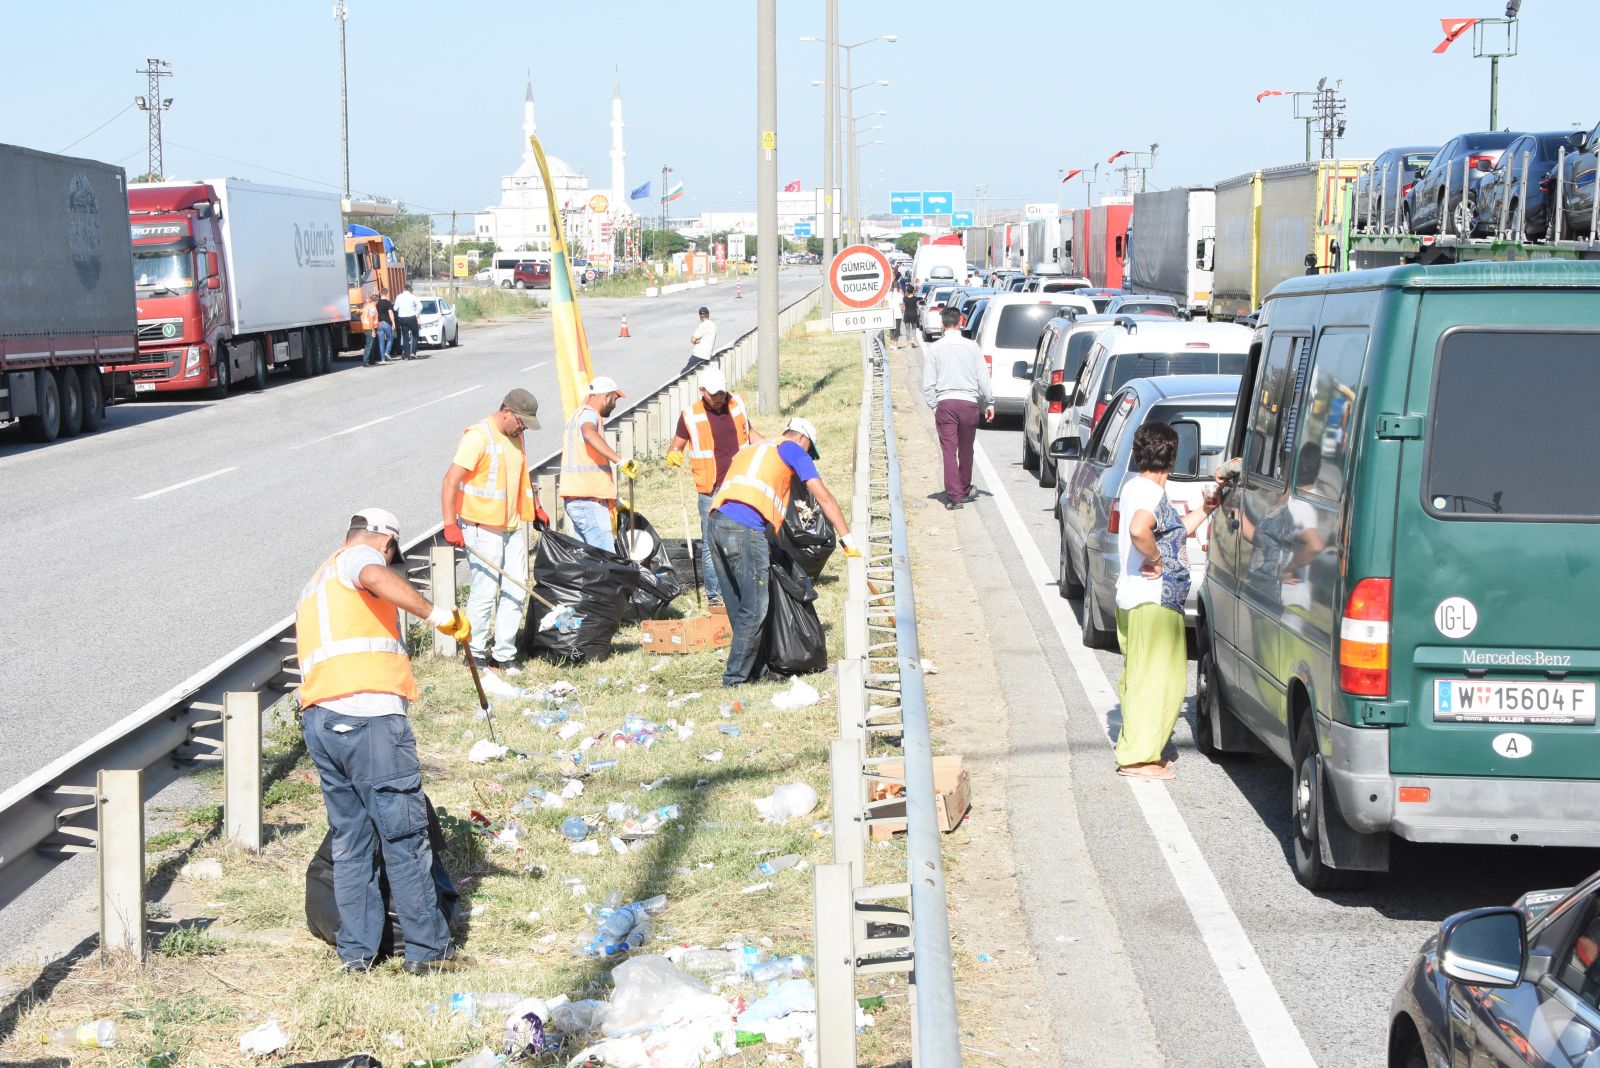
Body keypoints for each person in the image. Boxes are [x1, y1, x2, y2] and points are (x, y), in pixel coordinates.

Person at [295, 508, 475, 974]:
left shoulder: (315, 584)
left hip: (321, 720)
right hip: (369, 720)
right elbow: (375, 574)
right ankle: (429, 953)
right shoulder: (359, 558)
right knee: (404, 837)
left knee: (351, 841)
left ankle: (358, 954)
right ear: (387, 542)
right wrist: (440, 616)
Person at [707, 418, 859, 686]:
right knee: (754, 608)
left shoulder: (754, 449)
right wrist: (847, 539)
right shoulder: (793, 449)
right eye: (810, 452)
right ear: (804, 440)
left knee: (739, 604)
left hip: (716, 524)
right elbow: (823, 496)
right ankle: (734, 679)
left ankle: (755, 669)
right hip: (744, 527)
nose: (807, 458)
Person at [1113, 423, 1220, 780]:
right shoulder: (1149, 494)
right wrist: (1157, 559)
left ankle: (1143, 749)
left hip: (1139, 601)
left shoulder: (1136, 487)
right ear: (1173, 457)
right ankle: (1136, 757)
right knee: (1157, 681)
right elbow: (1139, 529)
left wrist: (1207, 508)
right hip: (1153, 602)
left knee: (1144, 677)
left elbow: (1174, 529)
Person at [440, 389, 548, 674]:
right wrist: (450, 524)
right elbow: (451, 481)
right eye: (521, 421)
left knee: (516, 588)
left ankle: (504, 653)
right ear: (507, 412)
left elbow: (523, 474)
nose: (523, 427)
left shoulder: (517, 437)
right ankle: (473, 653)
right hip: (481, 528)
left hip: (512, 526)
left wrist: (536, 506)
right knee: (485, 593)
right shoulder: (479, 436)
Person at [664, 365, 764, 605]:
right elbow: (676, 445)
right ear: (702, 391)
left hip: (739, 484)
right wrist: (673, 454)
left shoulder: (736, 405)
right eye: (713, 394)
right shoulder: (690, 415)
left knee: (745, 536)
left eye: (721, 393)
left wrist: (770, 449)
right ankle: (716, 597)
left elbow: (750, 433)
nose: (719, 398)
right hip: (711, 489)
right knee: (712, 544)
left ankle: (743, 589)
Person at [922, 307, 994, 510]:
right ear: (961, 322)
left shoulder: (935, 348)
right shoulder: (972, 347)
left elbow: (928, 383)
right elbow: (983, 378)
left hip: (946, 403)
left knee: (948, 451)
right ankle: (963, 488)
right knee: (966, 450)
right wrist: (989, 403)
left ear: (942, 324)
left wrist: (935, 406)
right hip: (969, 403)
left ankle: (955, 497)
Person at [558, 377, 637, 553]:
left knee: (589, 560)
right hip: (588, 502)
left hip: (579, 499)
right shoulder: (589, 415)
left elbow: (589, 461)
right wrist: (620, 460)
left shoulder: (577, 414)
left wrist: (614, 500)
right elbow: (589, 433)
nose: (614, 405)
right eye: (614, 400)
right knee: (605, 558)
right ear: (607, 397)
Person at [393, 285, 422, 360]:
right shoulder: (413, 296)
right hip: (412, 317)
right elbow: (420, 306)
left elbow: (395, 308)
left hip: (402, 318)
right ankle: (413, 352)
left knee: (405, 336)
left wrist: (401, 310)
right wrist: (417, 314)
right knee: (415, 334)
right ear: (410, 290)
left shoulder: (399, 297)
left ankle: (406, 355)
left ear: (403, 289)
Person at [375, 292, 397, 363]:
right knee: (390, 338)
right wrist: (393, 323)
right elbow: (390, 313)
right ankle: (387, 352)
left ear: (380, 294)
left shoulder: (377, 303)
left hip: (379, 323)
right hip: (387, 323)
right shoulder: (388, 303)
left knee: (381, 341)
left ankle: (382, 359)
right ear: (387, 293)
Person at [359, 299, 382, 367]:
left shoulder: (367, 306)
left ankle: (372, 361)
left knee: (371, 345)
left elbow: (361, 314)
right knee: (369, 345)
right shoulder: (372, 308)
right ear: (376, 301)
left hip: (366, 327)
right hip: (370, 328)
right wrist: (373, 330)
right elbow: (371, 319)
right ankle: (366, 361)